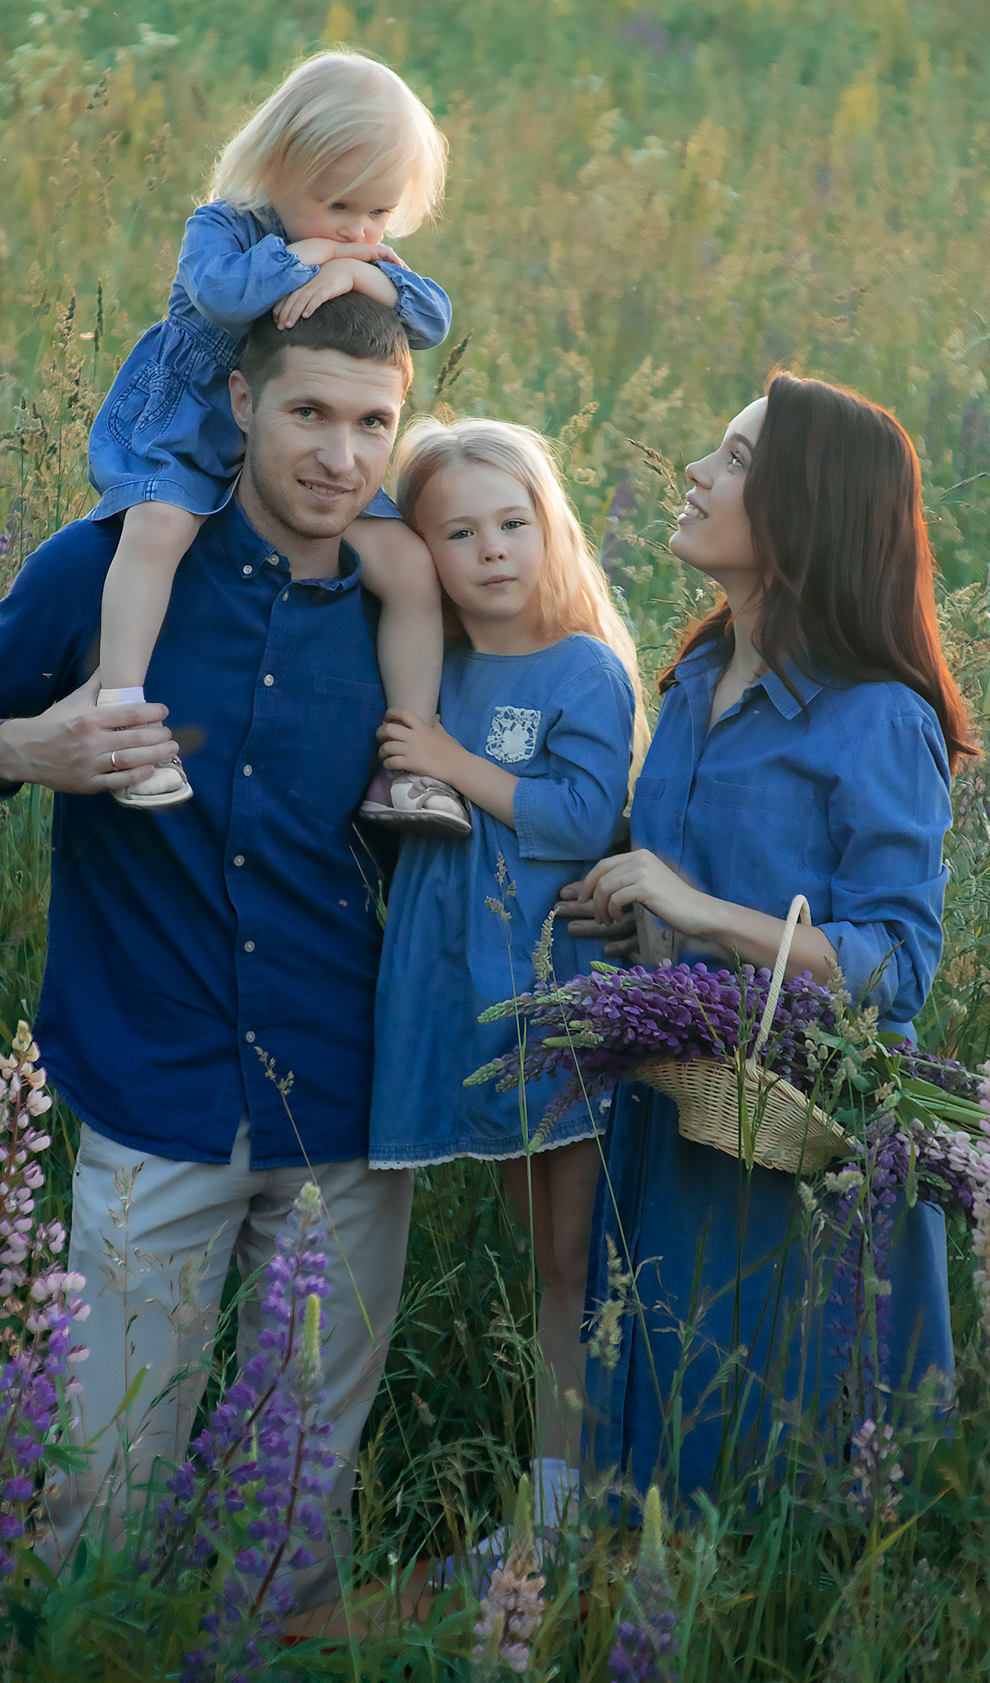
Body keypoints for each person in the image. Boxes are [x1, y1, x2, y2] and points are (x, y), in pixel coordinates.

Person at [0, 291, 425, 1608]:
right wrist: (27, 746)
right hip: (153, 1092)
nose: (340, 456)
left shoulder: (412, 596)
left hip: (347, 1103)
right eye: (309, 411)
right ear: (241, 404)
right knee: (102, 1482)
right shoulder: (108, 570)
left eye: (375, 424)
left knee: (299, 1494)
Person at [558, 372, 984, 1508]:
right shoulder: (697, 675)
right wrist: (637, 910)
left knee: (775, 1474)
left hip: (796, 1146)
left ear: (803, 510)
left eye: (737, 459)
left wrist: (698, 910)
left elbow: (895, 963)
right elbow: (692, 883)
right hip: (673, 1111)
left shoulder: (878, 716)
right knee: (648, 1436)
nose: (698, 472)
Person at [363, 418, 644, 1542]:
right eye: (459, 531)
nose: (491, 551)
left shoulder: (583, 666)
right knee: (538, 1258)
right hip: (451, 992)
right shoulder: (435, 667)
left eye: (513, 524)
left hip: (552, 995)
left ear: (551, 530)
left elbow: (578, 816)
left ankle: (563, 1501)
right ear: (418, 554)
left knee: (572, 1262)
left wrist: (447, 759)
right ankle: (544, 1486)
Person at [84, 48, 469, 836]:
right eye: (340, 207)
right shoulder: (221, 226)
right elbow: (227, 297)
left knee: (408, 566)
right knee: (158, 528)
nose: (361, 229)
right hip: (189, 419)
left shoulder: (360, 244)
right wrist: (315, 256)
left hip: (295, 453)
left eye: (380, 216)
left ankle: (407, 758)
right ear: (282, 165)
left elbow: (432, 318)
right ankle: (122, 714)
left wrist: (364, 274)